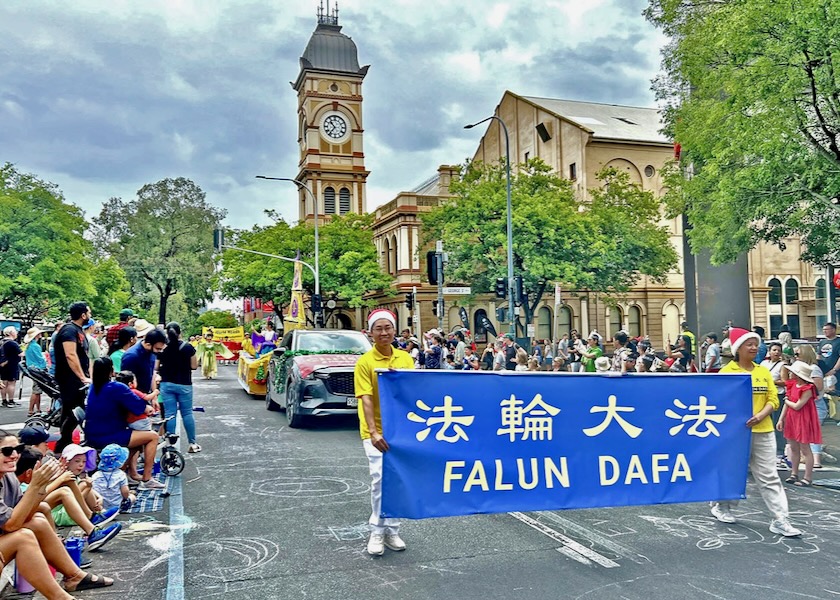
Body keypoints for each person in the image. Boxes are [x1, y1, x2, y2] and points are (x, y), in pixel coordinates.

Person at [0, 430, 114, 598]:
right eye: (7, 451)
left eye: (18, 448)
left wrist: (39, 487)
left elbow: (24, 513)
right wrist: (35, 487)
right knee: (24, 536)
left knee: (38, 519)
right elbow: (11, 524)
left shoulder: (8, 476)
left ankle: (74, 576)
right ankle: (61, 597)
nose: (15, 455)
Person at [710, 327, 801, 537]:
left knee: (769, 476)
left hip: (764, 430)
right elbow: (719, 402)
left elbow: (773, 399)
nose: (754, 347)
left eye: (755, 344)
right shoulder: (726, 373)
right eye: (749, 344)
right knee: (733, 471)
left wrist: (761, 415)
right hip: (735, 434)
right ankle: (722, 506)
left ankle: (780, 519)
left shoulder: (762, 371)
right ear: (737, 348)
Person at [354, 309, 414, 556]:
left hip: (401, 431)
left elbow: (412, 393)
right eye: (378, 328)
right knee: (380, 480)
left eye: (387, 327)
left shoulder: (405, 359)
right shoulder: (365, 362)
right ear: (370, 333)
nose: (384, 332)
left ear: (394, 330)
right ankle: (376, 531)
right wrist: (374, 432)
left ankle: (393, 529)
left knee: (398, 480)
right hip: (375, 431)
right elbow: (365, 399)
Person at [15, 448, 121, 551]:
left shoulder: (20, 479)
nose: (41, 472)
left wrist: (57, 476)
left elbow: (40, 491)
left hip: (30, 508)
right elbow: (33, 498)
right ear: (29, 472)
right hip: (27, 514)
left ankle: (91, 521)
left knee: (66, 487)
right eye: (39, 469)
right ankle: (61, 546)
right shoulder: (18, 484)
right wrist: (60, 478)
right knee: (60, 494)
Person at [83, 357, 163, 490]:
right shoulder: (116, 387)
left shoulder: (93, 388)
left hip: (92, 434)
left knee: (137, 442)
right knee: (152, 436)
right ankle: (147, 479)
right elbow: (140, 406)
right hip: (110, 434)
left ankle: (126, 471)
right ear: (111, 371)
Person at [54, 302, 92, 454]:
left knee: (74, 410)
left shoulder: (78, 330)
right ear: (83, 315)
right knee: (72, 411)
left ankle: (65, 442)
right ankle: (63, 443)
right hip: (70, 379)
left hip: (77, 378)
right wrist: (82, 377)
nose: (90, 315)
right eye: (89, 312)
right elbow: (70, 354)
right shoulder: (69, 330)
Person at [778, 361, 823, 488]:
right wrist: (781, 419)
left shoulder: (807, 388)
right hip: (792, 419)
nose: (790, 373)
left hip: (803, 419)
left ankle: (808, 477)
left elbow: (797, 406)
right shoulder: (792, 385)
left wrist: (786, 401)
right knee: (793, 447)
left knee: (805, 448)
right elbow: (788, 405)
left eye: (792, 372)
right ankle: (794, 473)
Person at [158, 322, 200, 453]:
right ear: (180, 332)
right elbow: (194, 366)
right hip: (184, 384)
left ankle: (170, 443)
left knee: (170, 414)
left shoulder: (163, 348)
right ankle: (192, 443)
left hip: (166, 384)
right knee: (187, 413)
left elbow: (155, 366)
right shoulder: (188, 348)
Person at [784, 345, 828, 468]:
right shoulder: (798, 371)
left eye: (798, 354)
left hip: (814, 407)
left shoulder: (813, 369)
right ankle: (800, 466)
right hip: (802, 408)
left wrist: (804, 389)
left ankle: (816, 460)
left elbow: (818, 388)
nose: (795, 357)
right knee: (800, 440)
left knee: (808, 438)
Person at [760, 342, 787, 468]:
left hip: (778, 396)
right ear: (769, 351)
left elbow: (785, 382)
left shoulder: (783, 365)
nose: (776, 352)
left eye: (778, 350)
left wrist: (771, 381)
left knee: (778, 423)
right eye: (774, 350)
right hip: (763, 396)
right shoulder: (763, 364)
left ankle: (780, 452)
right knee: (765, 423)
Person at [91, 444, 136, 512]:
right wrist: (128, 495)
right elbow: (125, 493)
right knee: (132, 497)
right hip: (117, 506)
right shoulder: (121, 475)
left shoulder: (95, 475)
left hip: (101, 506)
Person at [23, 326, 47, 416]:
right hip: (38, 369)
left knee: (38, 390)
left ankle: (38, 409)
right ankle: (31, 410)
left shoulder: (29, 345)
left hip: (32, 368)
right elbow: (40, 359)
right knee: (36, 390)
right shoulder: (35, 346)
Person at [0, 326, 23, 408]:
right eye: (15, 331)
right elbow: (21, 354)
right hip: (12, 365)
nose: (16, 333)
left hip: (2, 365)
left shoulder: (1, 342)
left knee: (3, 382)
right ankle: (11, 400)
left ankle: (4, 400)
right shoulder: (13, 343)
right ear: (11, 333)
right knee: (11, 383)